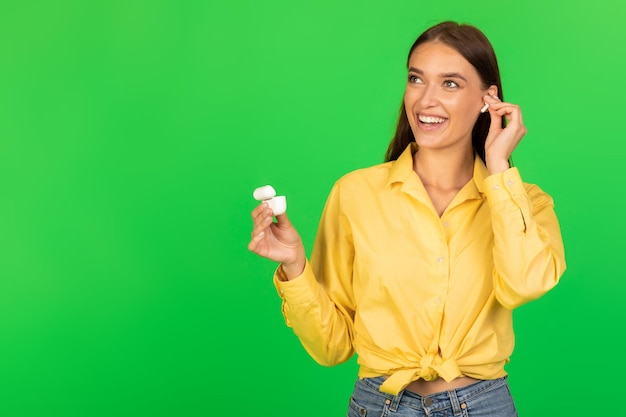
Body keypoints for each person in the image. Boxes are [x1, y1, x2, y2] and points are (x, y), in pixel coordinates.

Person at [248, 20, 566, 417]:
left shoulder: (525, 203)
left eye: (450, 83)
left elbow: (524, 285)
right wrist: (295, 267)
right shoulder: (355, 194)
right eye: (417, 79)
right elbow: (332, 347)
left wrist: (499, 169)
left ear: (488, 99)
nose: (426, 100)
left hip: (483, 406)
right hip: (377, 405)